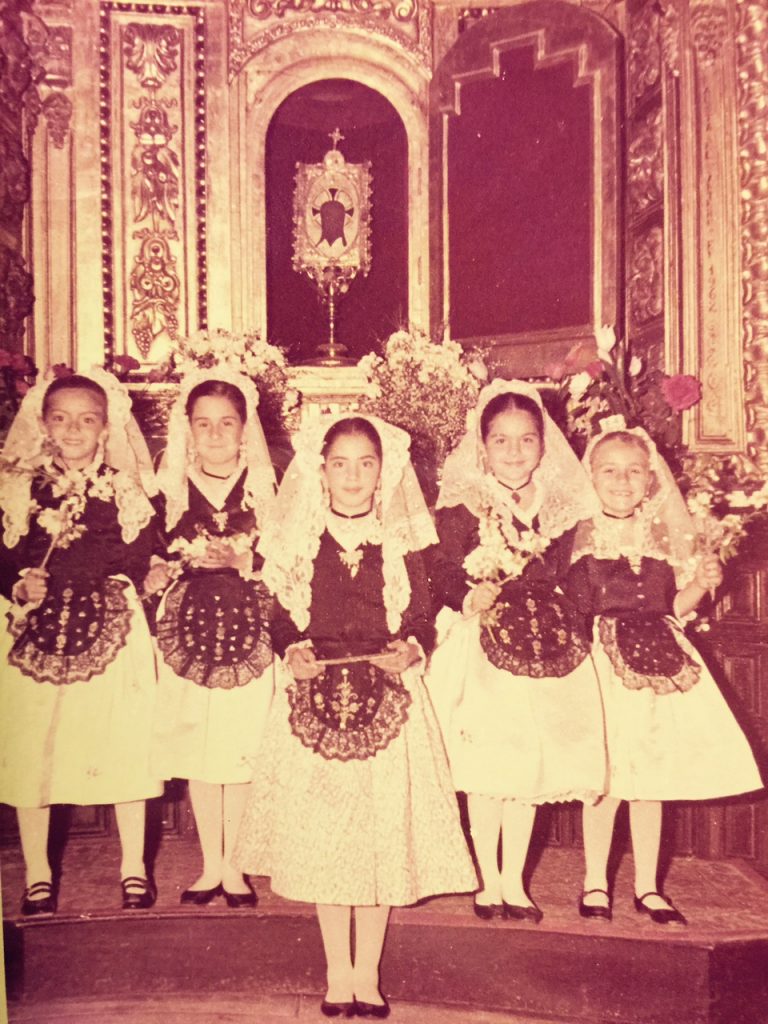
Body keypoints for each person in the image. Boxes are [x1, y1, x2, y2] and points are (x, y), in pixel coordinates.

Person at [235, 414, 476, 1019]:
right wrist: (291, 647)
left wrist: (414, 645)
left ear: (383, 469)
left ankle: (367, 972)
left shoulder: (402, 540)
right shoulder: (298, 537)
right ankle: (336, 971)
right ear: (320, 469)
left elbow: (421, 613)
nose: (352, 475)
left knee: (377, 839)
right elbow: (278, 612)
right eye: (339, 463)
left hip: (388, 705)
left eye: (365, 463)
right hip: (315, 706)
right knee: (326, 840)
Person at [565, 416, 763, 924]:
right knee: (605, 777)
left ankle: (648, 886)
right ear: (589, 477)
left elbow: (676, 605)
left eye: (634, 471)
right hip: (602, 662)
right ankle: (594, 884)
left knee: (650, 779)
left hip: (659, 660)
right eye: (609, 471)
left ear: (650, 479)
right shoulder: (577, 536)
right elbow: (572, 608)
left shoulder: (662, 538)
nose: (622, 481)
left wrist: (702, 580)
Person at [427, 379, 605, 923]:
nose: (513, 452)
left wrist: (571, 615)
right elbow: (438, 571)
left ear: (542, 445)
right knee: (490, 760)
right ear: (482, 446)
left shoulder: (560, 508)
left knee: (528, 760)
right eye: (500, 441)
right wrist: (466, 593)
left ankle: (514, 880)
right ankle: (487, 877)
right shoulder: (463, 505)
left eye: (525, 440)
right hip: (485, 646)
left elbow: (576, 572)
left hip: (544, 645)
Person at [0, 368, 162, 914]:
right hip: (39, 625)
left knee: (122, 742)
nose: (73, 430)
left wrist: (144, 575)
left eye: (87, 420)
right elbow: (3, 557)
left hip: (108, 625)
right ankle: (38, 873)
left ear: (105, 427)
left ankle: (134, 867)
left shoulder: (123, 486)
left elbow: (143, 553)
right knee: (34, 749)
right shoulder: (21, 484)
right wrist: (19, 582)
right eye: (61, 419)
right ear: (44, 424)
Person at [145, 367, 276, 907]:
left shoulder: (267, 486)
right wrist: (163, 567)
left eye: (227, 423)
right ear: (188, 430)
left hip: (250, 625)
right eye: (204, 425)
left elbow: (289, 548)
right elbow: (149, 549)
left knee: (241, 744)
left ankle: (238, 866)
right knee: (200, 742)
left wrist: (250, 558)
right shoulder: (170, 489)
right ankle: (210, 864)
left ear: (246, 428)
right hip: (190, 628)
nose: (216, 435)